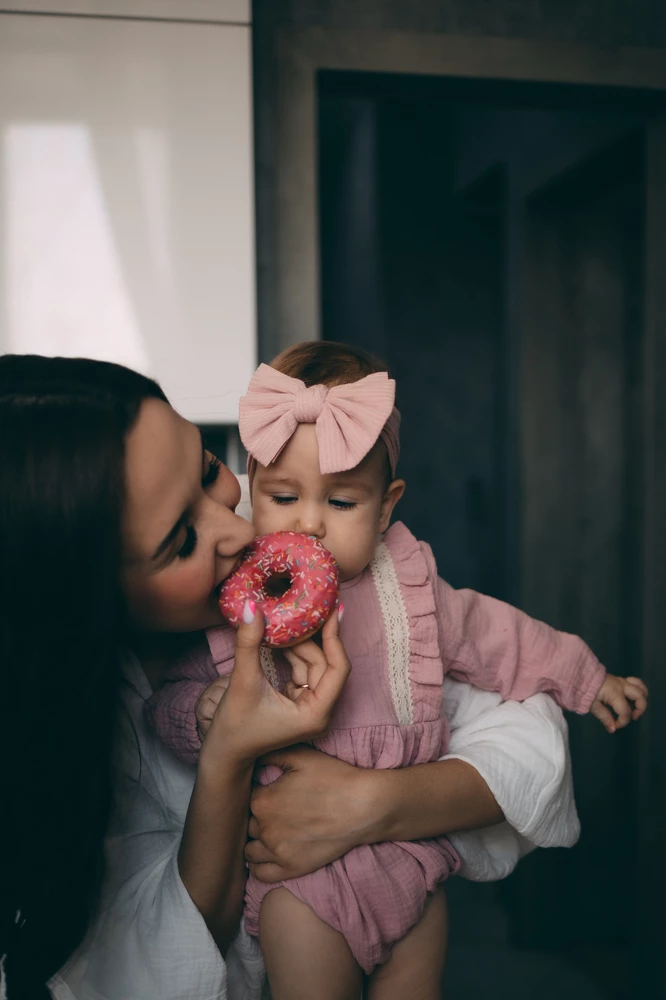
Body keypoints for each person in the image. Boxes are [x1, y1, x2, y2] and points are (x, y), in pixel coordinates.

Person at [0, 353, 597, 1000]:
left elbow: (532, 741)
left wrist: (374, 804)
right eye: (182, 541)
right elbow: (161, 966)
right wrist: (228, 750)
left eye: (209, 471)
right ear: (85, 598)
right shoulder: (67, 751)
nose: (238, 526)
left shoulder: (325, 543)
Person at [148, 341, 648, 1000]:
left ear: (386, 509)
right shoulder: (237, 601)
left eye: (343, 503)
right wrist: (201, 712)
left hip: (411, 860)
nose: (309, 524)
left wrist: (587, 677)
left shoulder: (408, 584)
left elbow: (501, 637)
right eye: (284, 495)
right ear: (253, 489)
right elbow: (165, 705)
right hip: (299, 884)